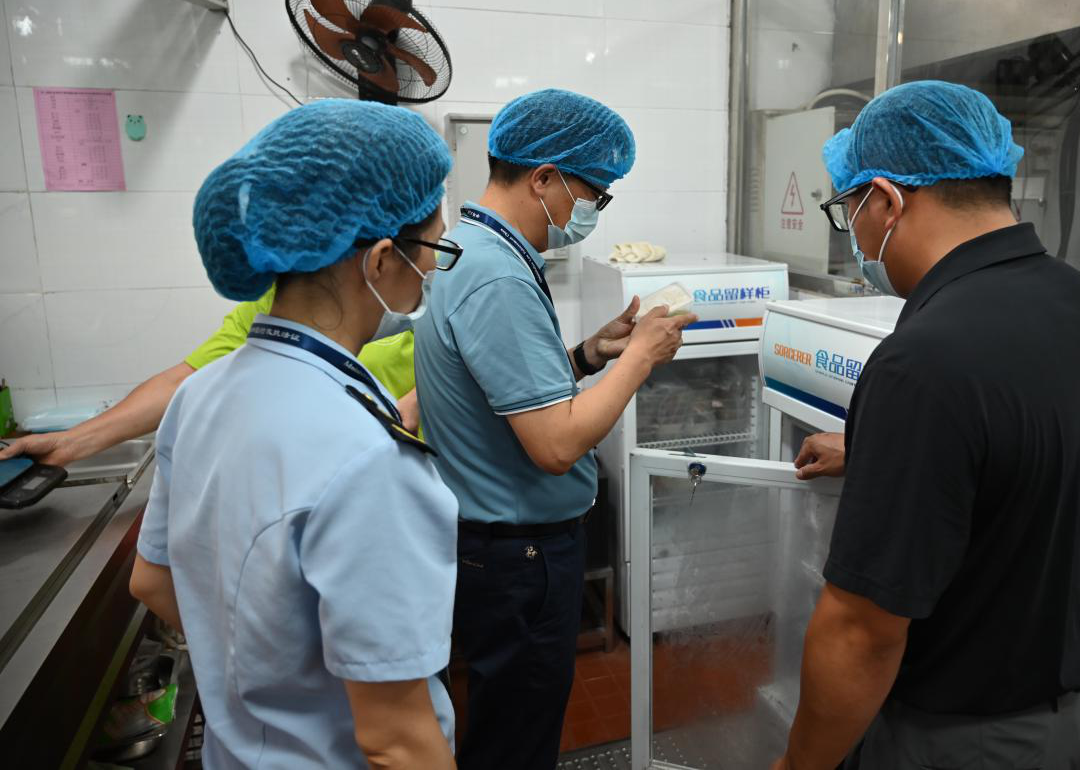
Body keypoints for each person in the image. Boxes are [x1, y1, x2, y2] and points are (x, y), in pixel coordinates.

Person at [775, 81, 1080, 770]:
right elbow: (1029, 455)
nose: (854, 235)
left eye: (848, 209)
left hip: (960, 740)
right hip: (1076, 708)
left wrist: (796, 766)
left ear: (886, 201)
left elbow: (861, 633)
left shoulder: (922, 362)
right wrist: (881, 453)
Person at [129, 99, 461, 768]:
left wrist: (260, 672)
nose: (434, 272)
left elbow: (151, 581)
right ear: (381, 260)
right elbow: (397, 740)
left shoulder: (200, 395)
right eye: (434, 250)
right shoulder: (367, 456)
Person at [415, 88, 698, 770]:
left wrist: (590, 354)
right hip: (520, 558)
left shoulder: (471, 248)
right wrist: (640, 358)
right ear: (544, 178)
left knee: (502, 724)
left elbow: (504, 391)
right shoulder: (497, 277)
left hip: (493, 548)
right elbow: (557, 444)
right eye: (594, 193)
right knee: (515, 742)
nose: (594, 211)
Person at [0, 290, 420, 469]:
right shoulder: (275, 305)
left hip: (404, 481)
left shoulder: (428, 298)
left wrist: (411, 407)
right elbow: (182, 383)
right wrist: (69, 443)